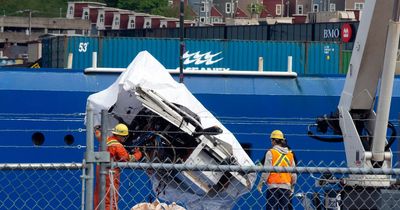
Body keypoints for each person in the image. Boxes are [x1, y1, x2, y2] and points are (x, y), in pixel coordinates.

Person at [94, 123, 143, 210]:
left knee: (99, 195)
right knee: (110, 197)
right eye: (124, 137)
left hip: (100, 170)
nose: (125, 138)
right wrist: (139, 153)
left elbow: (98, 134)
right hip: (111, 174)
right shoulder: (118, 146)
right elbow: (129, 159)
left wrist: (96, 129)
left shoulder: (106, 140)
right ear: (120, 136)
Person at [257, 130, 297, 210]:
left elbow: (266, 170)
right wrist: (293, 186)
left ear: (274, 140)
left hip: (273, 187)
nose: (271, 142)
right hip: (286, 187)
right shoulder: (290, 154)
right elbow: (294, 173)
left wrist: (261, 184)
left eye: (271, 140)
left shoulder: (270, 152)